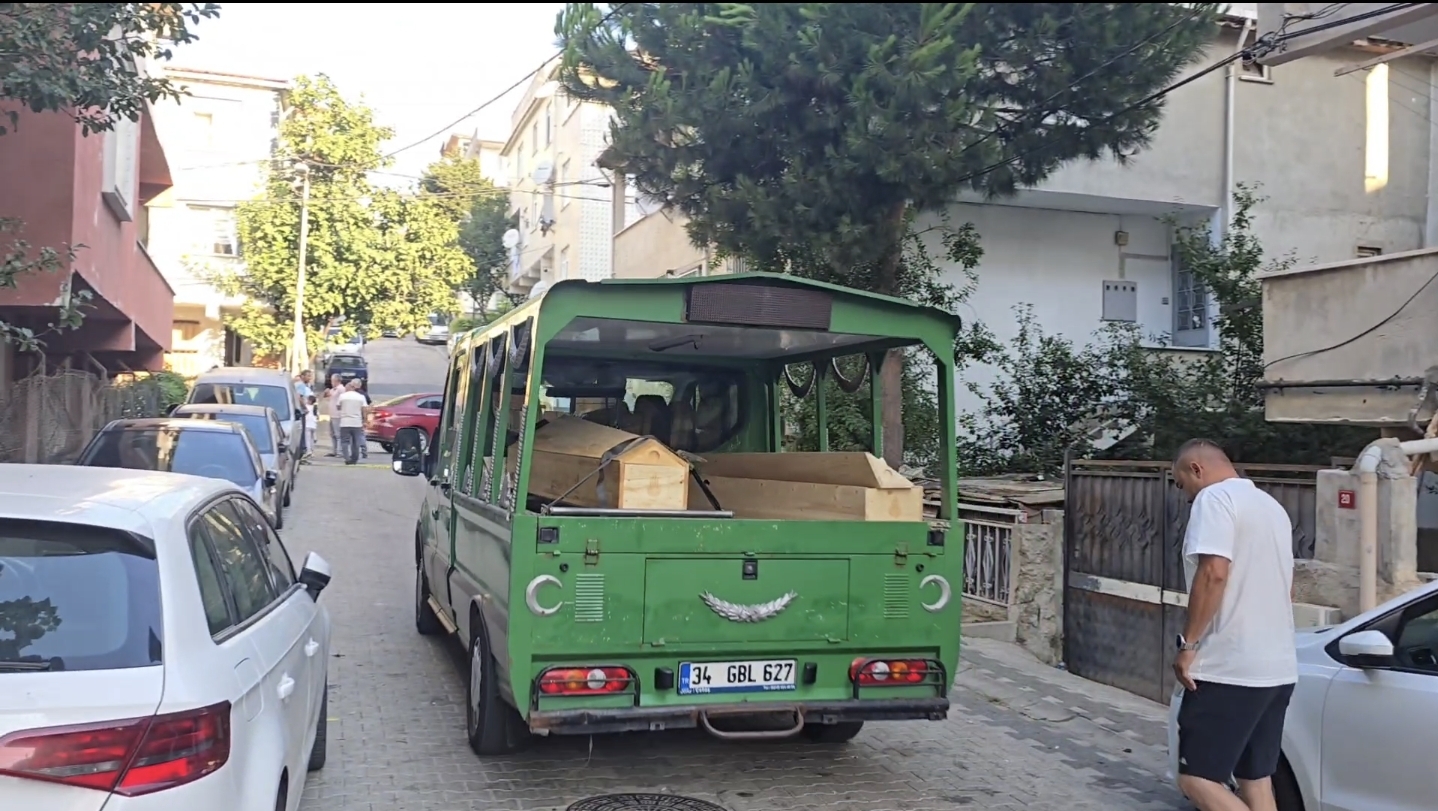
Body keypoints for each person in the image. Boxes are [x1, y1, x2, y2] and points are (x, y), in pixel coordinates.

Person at [1171, 438, 1297, 811]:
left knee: (1196, 778)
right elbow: (1286, 589)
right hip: (1278, 670)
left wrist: (1188, 645)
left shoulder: (1215, 499)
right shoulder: (1272, 507)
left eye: (1181, 484)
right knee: (1255, 781)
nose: (1186, 497)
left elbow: (1214, 573)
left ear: (1196, 469)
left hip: (1230, 668)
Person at [336, 379, 368, 465]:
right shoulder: (361, 397)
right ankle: (355, 458)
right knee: (355, 442)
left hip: (345, 422)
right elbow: (364, 410)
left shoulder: (342, 396)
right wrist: (365, 421)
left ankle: (347, 458)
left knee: (344, 442)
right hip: (356, 423)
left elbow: (338, 407)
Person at [324, 374, 345, 457]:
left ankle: (340, 451)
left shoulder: (341, 389)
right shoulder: (333, 389)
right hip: (332, 414)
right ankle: (334, 450)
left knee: (338, 434)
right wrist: (326, 393)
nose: (331, 382)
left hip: (337, 414)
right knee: (332, 434)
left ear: (337, 381)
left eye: (332, 381)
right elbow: (327, 396)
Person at [303, 394, 319, 462]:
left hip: (307, 424)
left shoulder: (306, 407)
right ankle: (312, 451)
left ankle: (308, 451)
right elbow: (318, 416)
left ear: (309, 401)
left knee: (308, 439)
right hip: (314, 424)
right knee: (312, 439)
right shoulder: (315, 407)